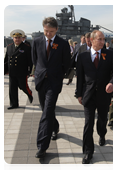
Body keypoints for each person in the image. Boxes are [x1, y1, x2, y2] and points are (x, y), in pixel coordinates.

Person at [76, 30, 113, 166]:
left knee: (102, 119)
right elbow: (80, 77)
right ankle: (88, 152)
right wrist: (79, 94)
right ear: (91, 40)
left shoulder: (110, 54)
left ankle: (102, 133)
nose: (102, 41)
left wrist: (112, 83)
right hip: (88, 95)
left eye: (103, 39)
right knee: (88, 123)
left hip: (104, 94)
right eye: (99, 39)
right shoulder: (82, 56)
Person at [32, 17, 71, 158]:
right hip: (41, 81)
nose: (48, 34)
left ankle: (42, 146)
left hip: (54, 82)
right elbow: (35, 60)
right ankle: (54, 126)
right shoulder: (36, 42)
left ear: (57, 30)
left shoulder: (63, 43)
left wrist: (57, 73)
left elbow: (67, 63)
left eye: (51, 31)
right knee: (46, 110)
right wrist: (40, 73)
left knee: (46, 112)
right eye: (46, 31)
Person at [4, 29, 33, 110]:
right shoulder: (9, 47)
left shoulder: (26, 48)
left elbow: (30, 61)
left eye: (19, 38)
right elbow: (6, 59)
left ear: (22, 38)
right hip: (12, 72)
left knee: (23, 87)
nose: (17, 39)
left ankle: (30, 94)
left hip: (22, 72)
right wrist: (5, 70)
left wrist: (30, 71)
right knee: (12, 89)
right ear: (13, 38)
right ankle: (14, 104)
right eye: (15, 38)